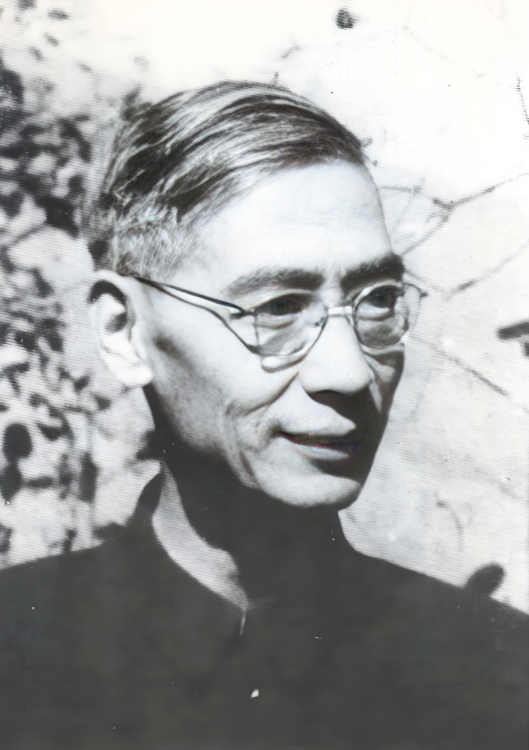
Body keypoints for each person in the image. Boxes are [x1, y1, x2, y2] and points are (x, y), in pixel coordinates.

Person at [0, 80, 527, 750]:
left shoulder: (502, 678)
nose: (349, 371)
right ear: (124, 331)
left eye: (377, 299)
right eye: (277, 307)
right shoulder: (16, 661)